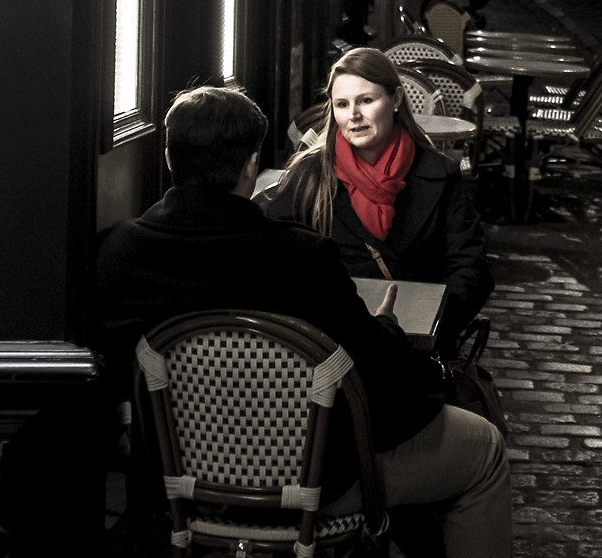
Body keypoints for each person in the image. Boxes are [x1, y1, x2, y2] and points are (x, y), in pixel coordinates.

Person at [95, 85, 511, 558]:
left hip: (178, 480)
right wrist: (391, 331)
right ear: (252, 164)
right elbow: (382, 372)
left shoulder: (119, 251)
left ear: (170, 157)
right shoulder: (302, 257)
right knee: (485, 450)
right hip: (313, 482)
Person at [265, 48, 494, 351]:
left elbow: (469, 266)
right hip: (332, 345)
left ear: (396, 99)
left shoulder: (439, 174)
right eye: (342, 105)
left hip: (414, 347)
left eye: (366, 101)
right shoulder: (310, 175)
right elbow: (273, 257)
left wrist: (435, 325)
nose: (354, 115)